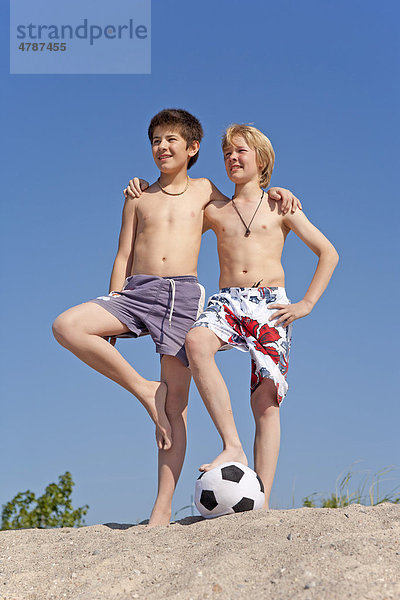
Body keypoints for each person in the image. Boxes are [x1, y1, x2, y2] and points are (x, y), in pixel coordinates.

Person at [52, 109, 300, 526]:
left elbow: (244, 205)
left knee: (177, 404)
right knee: (67, 326)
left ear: (192, 148)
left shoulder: (205, 191)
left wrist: (278, 192)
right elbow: (123, 254)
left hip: (181, 295)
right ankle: (144, 390)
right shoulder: (137, 196)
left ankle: (160, 510)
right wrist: (115, 298)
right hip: (134, 292)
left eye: (170, 140)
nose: (162, 147)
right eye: (155, 141)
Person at [185, 124, 339, 509]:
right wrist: (143, 189)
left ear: (262, 159)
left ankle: (262, 500)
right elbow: (175, 212)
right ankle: (232, 444)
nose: (232, 159)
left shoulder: (280, 205)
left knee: (266, 402)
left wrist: (305, 304)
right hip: (227, 301)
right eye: (227, 154)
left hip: (270, 305)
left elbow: (328, 253)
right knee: (196, 342)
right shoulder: (214, 209)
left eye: (240, 152)